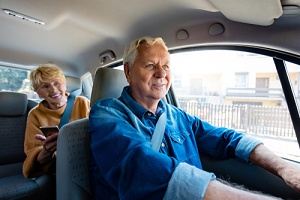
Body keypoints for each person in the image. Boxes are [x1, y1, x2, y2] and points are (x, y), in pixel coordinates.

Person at [88, 36, 300, 199]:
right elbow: (140, 165)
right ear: (128, 72)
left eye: (166, 65)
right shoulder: (107, 114)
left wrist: (285, 169)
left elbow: (228, 139)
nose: (162, 74)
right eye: (150, 65)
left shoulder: (177, 117)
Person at [23, 64, 90, 178]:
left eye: (56, 83)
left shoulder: (82, 103)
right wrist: (46, 151)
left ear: (64, 84)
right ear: (38, 92)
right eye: (45, 86)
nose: (53, 90)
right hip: (59, 167)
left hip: (86, 160)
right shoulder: (35, 115)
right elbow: (32, 152)